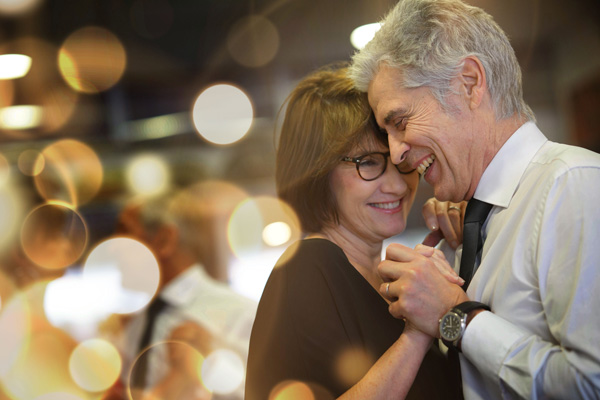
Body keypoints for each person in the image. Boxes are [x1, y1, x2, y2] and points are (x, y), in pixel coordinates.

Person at [349, 0, 600, 398]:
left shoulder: (572, 185)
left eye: (399, 122)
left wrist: (456, 315)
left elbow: (592, 384)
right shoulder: (470, 226)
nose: (395, 154)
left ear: (469, 82)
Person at [245, 65, 466, 399]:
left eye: (401, 159)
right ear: (316, 172)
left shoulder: (386, 283)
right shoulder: (309, 266)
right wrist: (418, 332)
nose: (397, 185)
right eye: (368, 162)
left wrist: (458, 248)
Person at [111, 183, 258, 399]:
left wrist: (211, 366)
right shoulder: (135, 326)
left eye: (126, 233)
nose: (113, 247)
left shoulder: (241, 313)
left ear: (164, 240)